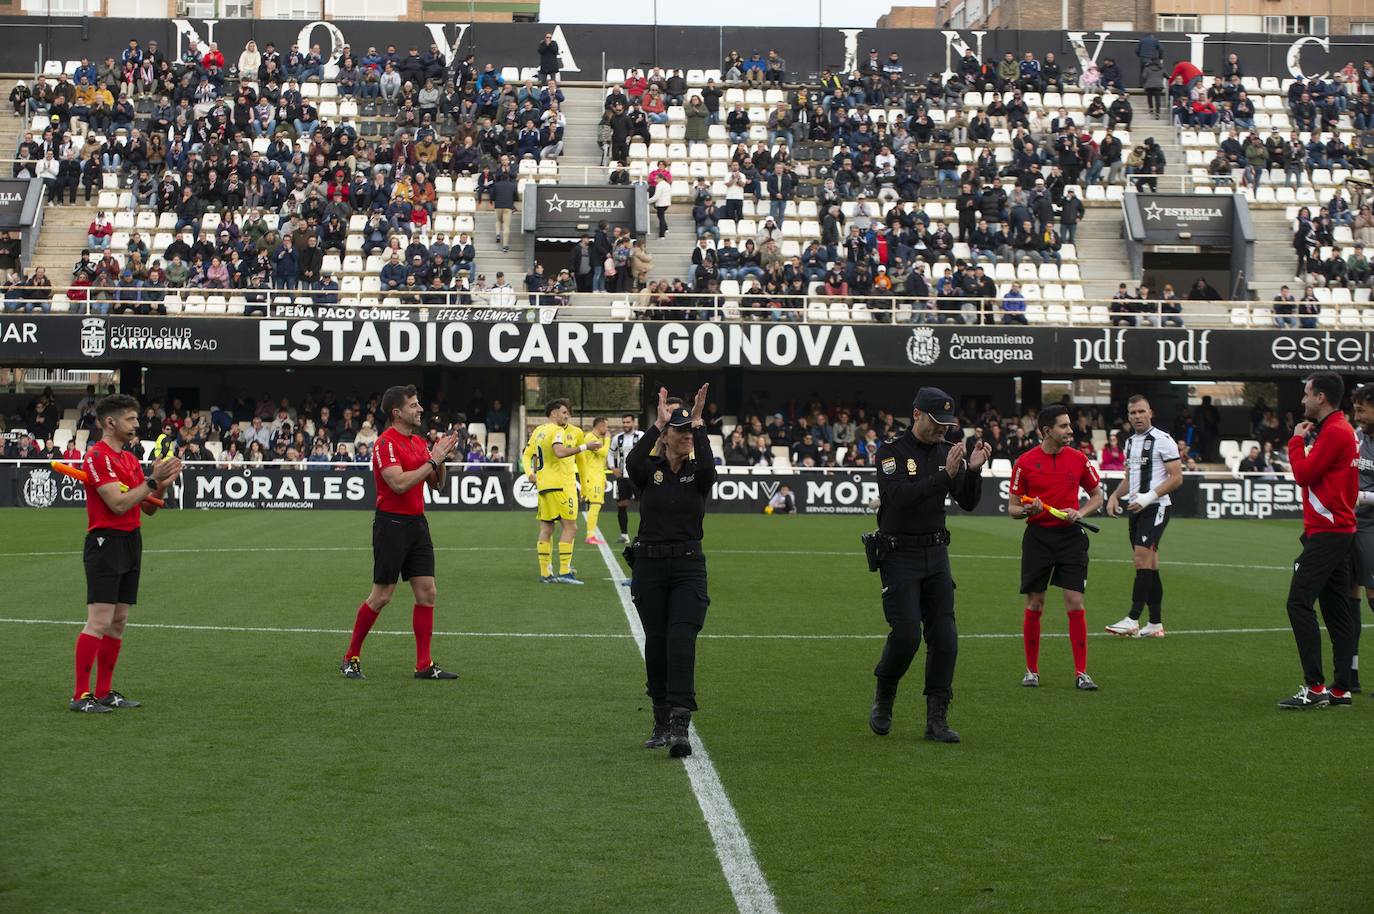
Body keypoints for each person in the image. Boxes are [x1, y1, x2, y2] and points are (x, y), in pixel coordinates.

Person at [867, 387, 990, 744]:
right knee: (906, 636)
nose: (943, 431)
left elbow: (966, 501)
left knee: (946, 637)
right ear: (917, 414)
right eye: (937, 423)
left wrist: (975, 472)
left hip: (936, 554)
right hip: (899, 554)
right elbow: (898, 498)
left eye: (947, 424)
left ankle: (937, 718)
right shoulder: (891, 452)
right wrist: (945, 476)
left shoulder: (945, 452)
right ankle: (884, 695)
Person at [70, 394, 184, 713]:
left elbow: (148, 509)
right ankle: (81, 695)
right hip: (106, 541)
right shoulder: (97, 456)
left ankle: (104, 692)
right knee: (99, 620)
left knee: (119, 620)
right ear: (110, 422)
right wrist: (152, 480)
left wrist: (161, 484)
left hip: (131, 539)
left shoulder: (130, 459)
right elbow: (117, 504)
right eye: (131, 419)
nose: (137, 424)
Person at [339, 385, 460, 682]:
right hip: (391, 525)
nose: (420, 409)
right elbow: (399, 484)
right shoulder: (386, 444)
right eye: (414, 405)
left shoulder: (418, 442)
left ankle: (424, 665)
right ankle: (350, 657)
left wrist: (439, 457)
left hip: (417, 524)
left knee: (427, 592)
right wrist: (432, 459)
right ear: (397, 412)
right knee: (381, 596)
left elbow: (436, 484)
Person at [623, 385, 715, 758]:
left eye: (690, 432)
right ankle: (660, 718)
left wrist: (700, 422)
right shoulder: (650, 471)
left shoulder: (699, 473)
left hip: (688, 566)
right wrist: (656, 424)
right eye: (681, 432)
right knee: (657, 644)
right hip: (650, 565)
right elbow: (631, 463)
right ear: (666, 437)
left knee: (681, 641)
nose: (687, 438)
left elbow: (709, 466)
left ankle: (680, 722)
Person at [1008, 405, 1105, 691]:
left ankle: (1081, 672)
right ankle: (1032, 670)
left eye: (1069, 425)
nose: (1070, 431)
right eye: (1064, 426)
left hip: (1071, 538)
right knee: (1035, 603)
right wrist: (1028, 509)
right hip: (1038, 538)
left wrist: (1082, 513)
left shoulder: (1078, 459)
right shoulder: (1024, 462)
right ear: (1047, 431)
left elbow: (1097, 496)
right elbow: (1012, 507)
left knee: (1075, 601)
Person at [1277, 372, 1359, 709]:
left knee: (1298, 603)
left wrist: (1295, 441)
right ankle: (1341, 688)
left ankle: (1315, 688)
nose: (1302, 400)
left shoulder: (1335, 431)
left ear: (1321, 397)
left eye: (1306, 394)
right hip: (1339, 530)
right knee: (1337, 610)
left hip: (1327, 533)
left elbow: (1303, 474)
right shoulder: (1342, 430)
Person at [1104, 396, 1184, 638]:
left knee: (1141, 558)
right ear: (1128, 416)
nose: (1137, 416)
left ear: (1151, 412)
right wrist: (1115, 496)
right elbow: (1129, 478)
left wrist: (1149, 497)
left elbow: (1177, 477)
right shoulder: (1129, 443)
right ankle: (1156, 624)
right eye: (1133, 413)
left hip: (1156, 507)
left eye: (1141, 411)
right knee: (1150, 564)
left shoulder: (1163, 440)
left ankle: (1132, 618)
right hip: (1136, 509)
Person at [523, 398, 599, 583]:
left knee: (547, 527)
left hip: (544, 484)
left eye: (568, 412)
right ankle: (564, 571)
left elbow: (528, 454)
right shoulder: (556, 431)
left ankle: (545, 573)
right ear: (554, 413)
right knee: (571, 526)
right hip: (561, 485)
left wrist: (531, 474)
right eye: (564, 412)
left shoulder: (539, 431)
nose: (567, 415)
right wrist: (585, 446)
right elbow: (561, 452)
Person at [607, 412, 644, 544]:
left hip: (638, 477)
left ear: (633, 423)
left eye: (628, 422)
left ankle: (645, 534)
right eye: (623, 422)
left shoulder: (641, 436)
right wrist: (613, 467)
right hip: (623, 477)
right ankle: (624, 535)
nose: (625, 425)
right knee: (622, 505)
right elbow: (610, 454)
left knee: (644, 505)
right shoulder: (618, 438)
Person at [578, 416, 611, 546]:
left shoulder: (596, 438)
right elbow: (603, 453)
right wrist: (608, 439)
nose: (607, 429)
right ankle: (590, 535)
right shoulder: (591, 439)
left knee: (596, 505)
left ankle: (590, 534)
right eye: (606, 426)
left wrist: (603, 477)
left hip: (597, 476)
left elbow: (600, 462)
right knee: (595, 505)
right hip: (591, 477)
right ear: (600, 426)